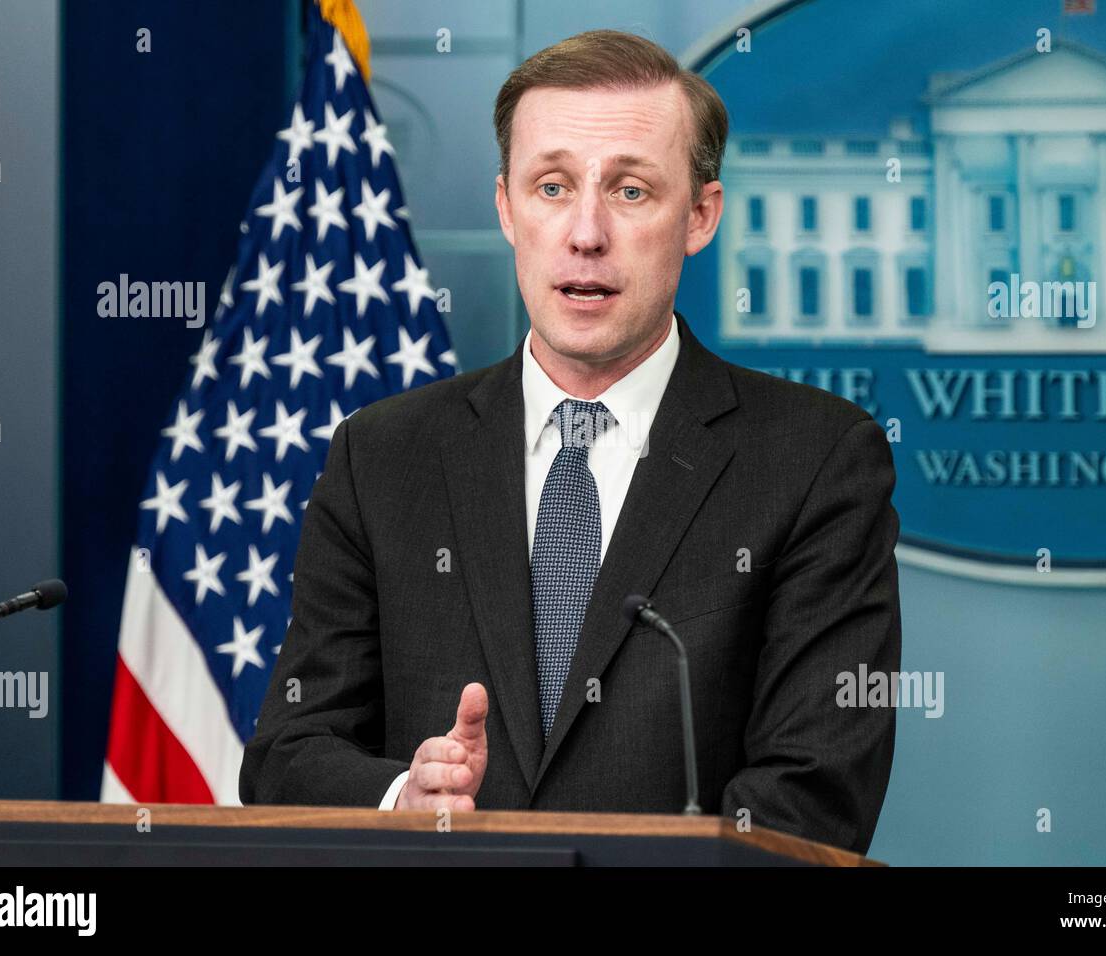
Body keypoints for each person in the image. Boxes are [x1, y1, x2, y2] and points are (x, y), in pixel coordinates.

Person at [239, 28, 902, 853]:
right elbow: (285, 756)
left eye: (630, 192)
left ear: (700, 215)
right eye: (552, 187)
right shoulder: (380, 457)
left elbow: (815, 794)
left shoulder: (815, 461)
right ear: (506, 208)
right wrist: (403, 795)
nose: (585, 233)